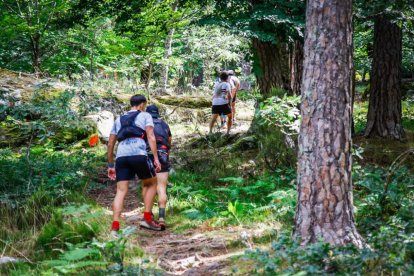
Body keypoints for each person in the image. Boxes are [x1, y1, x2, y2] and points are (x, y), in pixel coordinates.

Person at [107, 94, 162, 234]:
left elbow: (110, 144)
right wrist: (155, 157)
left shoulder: (119, 119)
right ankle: (147, 218)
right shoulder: (145, 116)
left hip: (121, 156)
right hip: (138, 154)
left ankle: (115, 227)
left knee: (120, 191)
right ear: (143, 104)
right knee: (151, 183)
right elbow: (150, 136)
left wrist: (110, 165)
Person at [143, 105, 172, 231]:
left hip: (147, 156)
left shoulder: (144, 124)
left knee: (147, 185)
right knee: (162, 187)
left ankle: (147, 215)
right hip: (163, 154)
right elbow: (169, 140)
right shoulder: (164, 125)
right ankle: (161, 217)